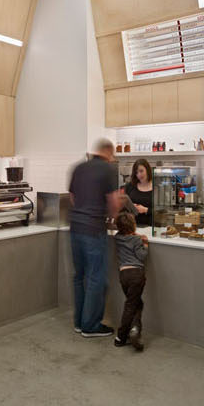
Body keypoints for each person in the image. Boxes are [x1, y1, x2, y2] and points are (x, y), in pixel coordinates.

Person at [67, 140, 123, 337]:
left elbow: (72, 197)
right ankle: (91, 325)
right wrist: (114, 218)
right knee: (95, 277)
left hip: (75, 228)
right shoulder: (107, 170)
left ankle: (79, 322)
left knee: (79, 276)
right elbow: (114, 201)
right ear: (108, 153)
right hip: (93, 229)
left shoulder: (79, 167)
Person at [113, 209, 148, 351]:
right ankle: (121, 336)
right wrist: (145, 244)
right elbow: (142, 256)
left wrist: (136, 235)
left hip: (124, 276)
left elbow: (126, 235)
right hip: (137, 275)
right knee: (131, 306)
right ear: (133, 225)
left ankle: (134, 330)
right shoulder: (137, 240)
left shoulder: (117, 237)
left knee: (136, 303)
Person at [124, 157, 154, 227]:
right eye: (136, 172)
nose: (139, 175)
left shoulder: (158, 187)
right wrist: (130, 207)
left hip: (151, 227)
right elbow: (122, 208)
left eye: (141, 171)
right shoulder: (130, 186)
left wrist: (146, 210)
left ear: (147, 170)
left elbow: (163, 212)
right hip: (132, 227)